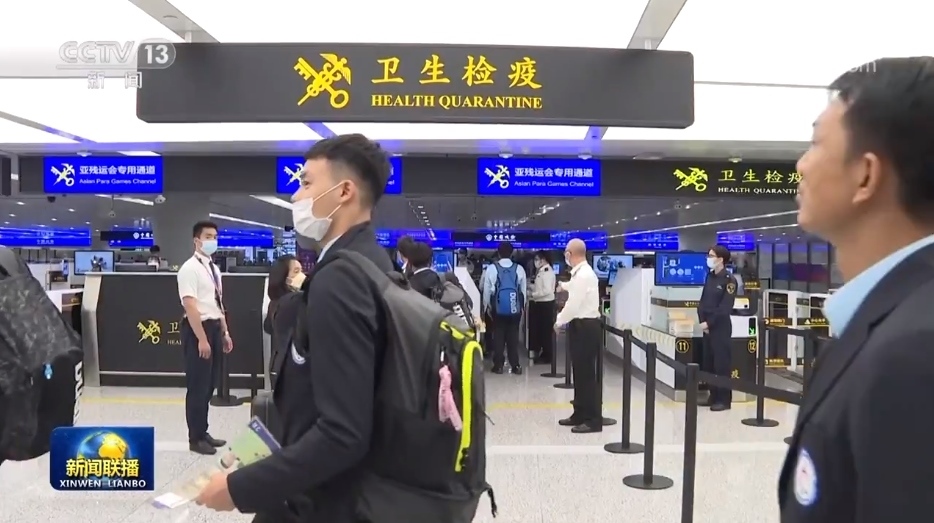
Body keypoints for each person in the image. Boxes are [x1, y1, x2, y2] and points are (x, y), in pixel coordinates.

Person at [195, 134, 394, 522]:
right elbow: (317, 397)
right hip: (339, 489)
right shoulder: (373, 263)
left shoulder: (342, 280)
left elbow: (343, 432)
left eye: (306, 183)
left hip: (321, 502)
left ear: (344, 191)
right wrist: (254, 449)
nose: (296, 195)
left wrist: (240, 489)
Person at [778, 57, 934, 522]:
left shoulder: (913, 355)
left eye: (815, 144)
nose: (801, 165)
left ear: (866, 175)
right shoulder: (892, 318)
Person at [176, 220, 232, 455]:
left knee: (209, 384)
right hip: (198, 329)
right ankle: (195, 438)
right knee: (198, 386)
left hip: (215, 327)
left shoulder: (213, 269)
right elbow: (190, 306)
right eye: (208, 236)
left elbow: (218, 303)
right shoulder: (189, 269)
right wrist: (202, 338)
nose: (212, 241)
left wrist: (225, 331)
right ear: (196, 240)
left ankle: (203, 431)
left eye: (215, 237)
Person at [554, 239, 602, 433]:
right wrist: (563, 286)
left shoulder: (584, 275)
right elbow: (574, 288)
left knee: (586, 375)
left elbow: (573, 305)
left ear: (571, 254)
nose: (565, 255)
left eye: (566, 252)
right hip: (580, 326)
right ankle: (579, 413)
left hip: (586, 327)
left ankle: (592, 419)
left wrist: (559, 321)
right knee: (579, 373)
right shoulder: (580, 274)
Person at [697, 244, 738, 412]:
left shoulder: (729, 280)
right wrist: (702, 321)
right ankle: (712, 396)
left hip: (720, 328)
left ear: (720, 259)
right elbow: (703, 302)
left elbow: (725, 308)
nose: (709, 259)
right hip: (706, 327)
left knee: (721, 364)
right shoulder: (710, 276)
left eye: (711, 256)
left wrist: (710, 323)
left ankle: (724, 399)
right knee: (709, 363)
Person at [481, 241, 527, 374]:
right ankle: (515, 365)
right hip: (514, 309)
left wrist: (487, 307)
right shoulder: (519, 269)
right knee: (513, 337)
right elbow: (523, 291)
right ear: (512, 253)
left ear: (498, 253)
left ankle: (499, 365)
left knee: (498, 336)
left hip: (497, 309)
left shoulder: (491, 269)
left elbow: (486, 291)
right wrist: (521, 307)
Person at [264, 255, 306, 383]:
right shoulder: (292, 303)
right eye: (296, 271)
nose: (302, 275)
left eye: (301, 270)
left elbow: (268, 327)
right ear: (284, 277)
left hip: (278, 363)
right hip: (289, 368)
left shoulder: (275, 303)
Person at [528, 250, 556, 364]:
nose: (535, 262)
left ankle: (547, 356)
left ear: (543, 260)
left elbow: (547, 291)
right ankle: (544, 353)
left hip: (545, 305)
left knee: (545, 331)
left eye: (537, 259)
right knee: (541, 330)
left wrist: (533, 295)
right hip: (540, 304)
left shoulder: (547, 272)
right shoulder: (541, 271)